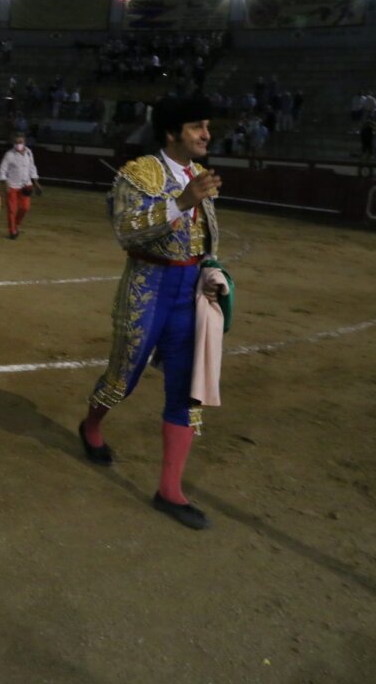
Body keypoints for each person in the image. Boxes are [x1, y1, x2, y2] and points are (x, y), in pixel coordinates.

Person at [79, 95, 223, 531]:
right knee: (123, 379)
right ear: (172, 132)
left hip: (189, 291)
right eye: (197, 126)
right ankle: (90, 424)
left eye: (206, 126)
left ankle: (170, 490)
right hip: (148, 285)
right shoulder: (137, 173)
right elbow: (126, 232)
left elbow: (206, 235)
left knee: (186, 388)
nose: (206, 135)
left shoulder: (199, 174)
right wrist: (180, 202)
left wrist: (213, 271)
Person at [0, 131, 41, 239]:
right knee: (12, 210)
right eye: (16, 142)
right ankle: (12, 231)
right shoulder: (9, 154)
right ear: (13, 142)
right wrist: (6, 183)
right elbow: (1, 172)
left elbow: (32, 168)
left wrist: (36, 183)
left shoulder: (29, 153)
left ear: (24, 141)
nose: (18, 144)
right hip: (12, 186)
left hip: (26, 185)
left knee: (25, 208)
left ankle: (16, 224)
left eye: (20, 142)